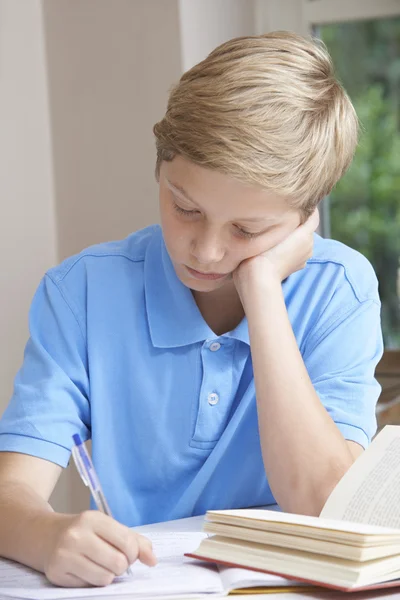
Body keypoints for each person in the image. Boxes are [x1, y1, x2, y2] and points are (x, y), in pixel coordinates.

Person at [0, 31, 382, 588]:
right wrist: (46, 534)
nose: (205, 251)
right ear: (160, 167)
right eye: (185, 207)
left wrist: (263, 291)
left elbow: (322, 505)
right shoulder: (81, 291)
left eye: (247, 230)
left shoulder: (340, 290)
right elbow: (11, 493)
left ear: (304, 219)